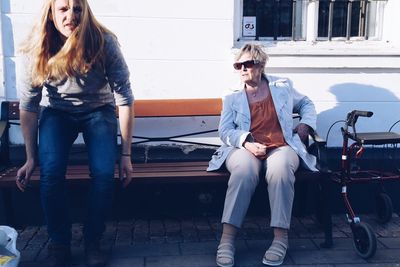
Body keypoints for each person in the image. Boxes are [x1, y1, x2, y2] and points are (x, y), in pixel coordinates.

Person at [16, 0, 134, 266]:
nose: (71, 15)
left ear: (86, 11)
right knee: (51, 173)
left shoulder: (103, 42)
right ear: (51, 13)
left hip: (98, 111)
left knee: (104, 173)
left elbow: (124, 99)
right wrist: (30, 157)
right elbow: (29, 104)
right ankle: (59, 242)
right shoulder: (39, 47)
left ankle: (93, 240)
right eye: (64, 9)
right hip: (58, 112)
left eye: (78, 8)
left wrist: (126, 155)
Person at [207, 43, 317, 267]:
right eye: (239, 65)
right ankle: (227, 240)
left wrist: (306, 123)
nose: (243, 69)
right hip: (244, 148)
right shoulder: (232, 96)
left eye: (248, 64)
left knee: (280, 170)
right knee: (244, 171)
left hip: (281, 146)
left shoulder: (282, 86)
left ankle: (280, 239)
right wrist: (246, 142)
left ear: (261, 65)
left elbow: (306, 103)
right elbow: (225, 131)